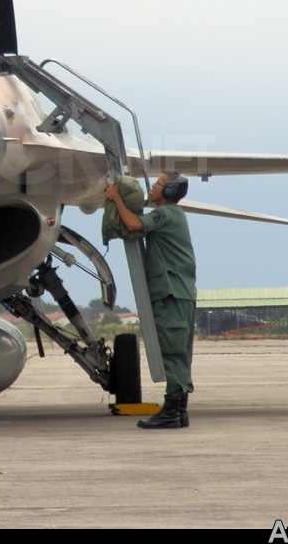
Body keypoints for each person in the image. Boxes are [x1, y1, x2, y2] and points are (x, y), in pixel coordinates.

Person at [106, 172, 196, 429]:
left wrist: (116, 199)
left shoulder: (165, 215)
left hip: (170, 294)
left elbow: (134, 225)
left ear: (168, 193)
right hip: (180, 293)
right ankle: (179, 412)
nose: (152, 187)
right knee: (180, 353)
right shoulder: (174, 216)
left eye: (158, 184)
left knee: (172, 352)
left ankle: (170, 411)